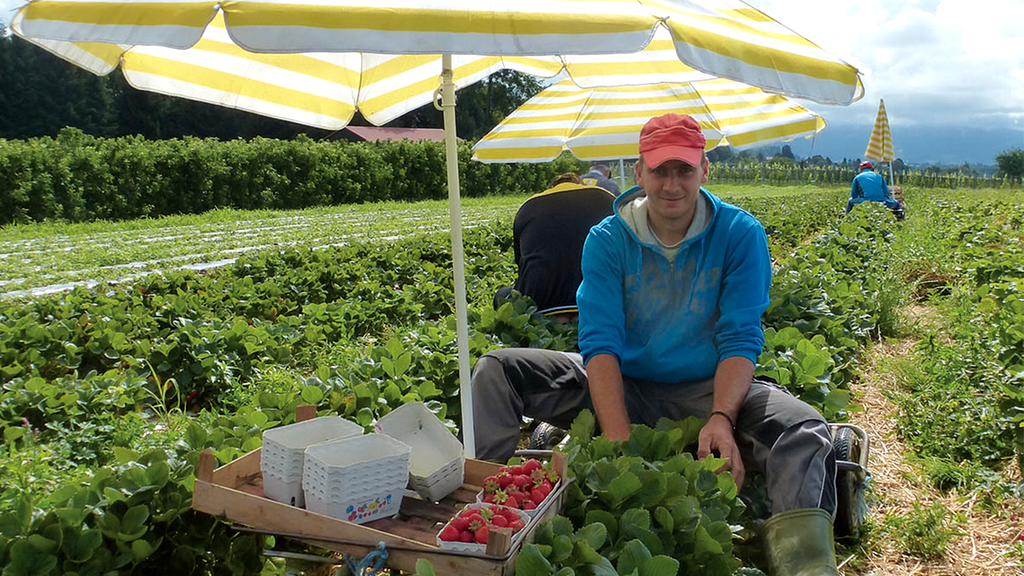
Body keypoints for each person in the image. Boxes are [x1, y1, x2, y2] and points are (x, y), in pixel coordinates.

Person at [473, 113, 840, 575]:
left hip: (707, 387)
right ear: (640, 172)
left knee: (804, 430)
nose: (672, 184)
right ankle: (486, 512)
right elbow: (600, 343)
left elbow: (739, 335)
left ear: (705, 171)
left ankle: (803, 565)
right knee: (497, 369)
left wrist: (722, 418)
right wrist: (619, 440)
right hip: (623, 381)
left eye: (684, 169)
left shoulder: (739, 235)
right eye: (660, 170)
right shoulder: (607, 240)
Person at [493, 172, 616, 319]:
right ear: (580, 185)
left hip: (538, 306)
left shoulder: (528, 207)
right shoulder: (606, 199)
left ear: (551, 188)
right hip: (598, 301)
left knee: (501, 295)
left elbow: (520, 262)